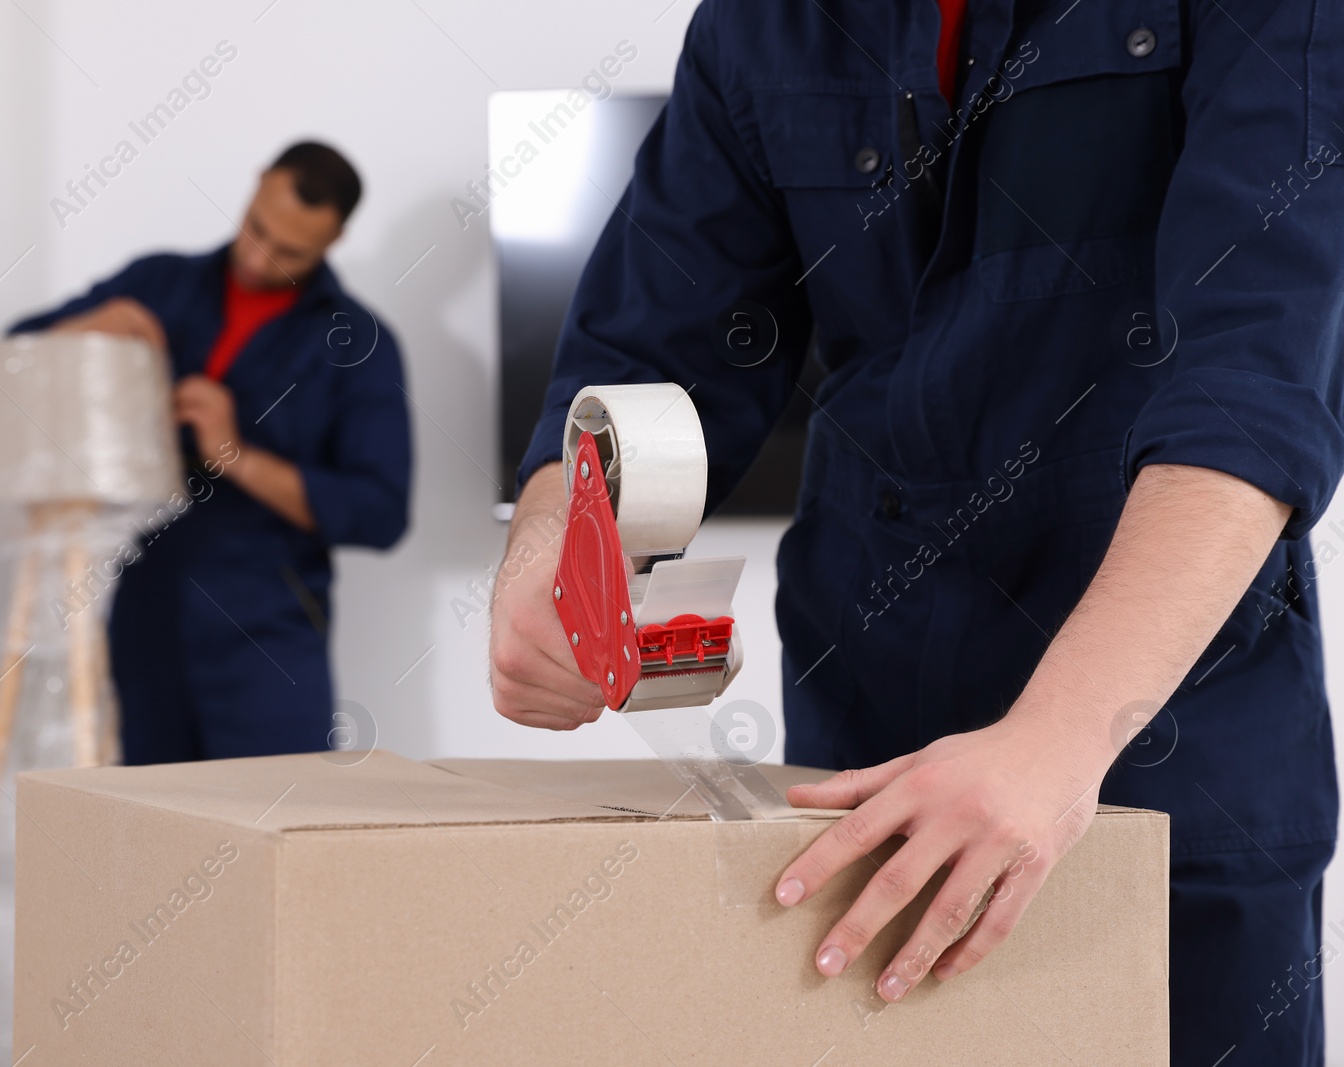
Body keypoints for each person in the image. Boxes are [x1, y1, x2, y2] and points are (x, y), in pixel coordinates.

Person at [488, 1, 1342, 1062]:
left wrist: (1051, 743)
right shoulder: (761, 27)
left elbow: (1249, 390)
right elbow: (649, 353)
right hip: (864, 745)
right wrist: (552, 548)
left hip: (1167, 756)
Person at [13, 142, 411, 763]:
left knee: (279, 834)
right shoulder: (157, 283)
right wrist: (93, 329)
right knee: (148, 834)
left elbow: (381, 512)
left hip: (269, 638)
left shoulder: (360, 344)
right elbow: (16, 354)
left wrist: (236, 455)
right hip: (145, 615)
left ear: (335, 240)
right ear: (256, 187)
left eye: (289, 252)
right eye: (256, 229)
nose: (258, 258)